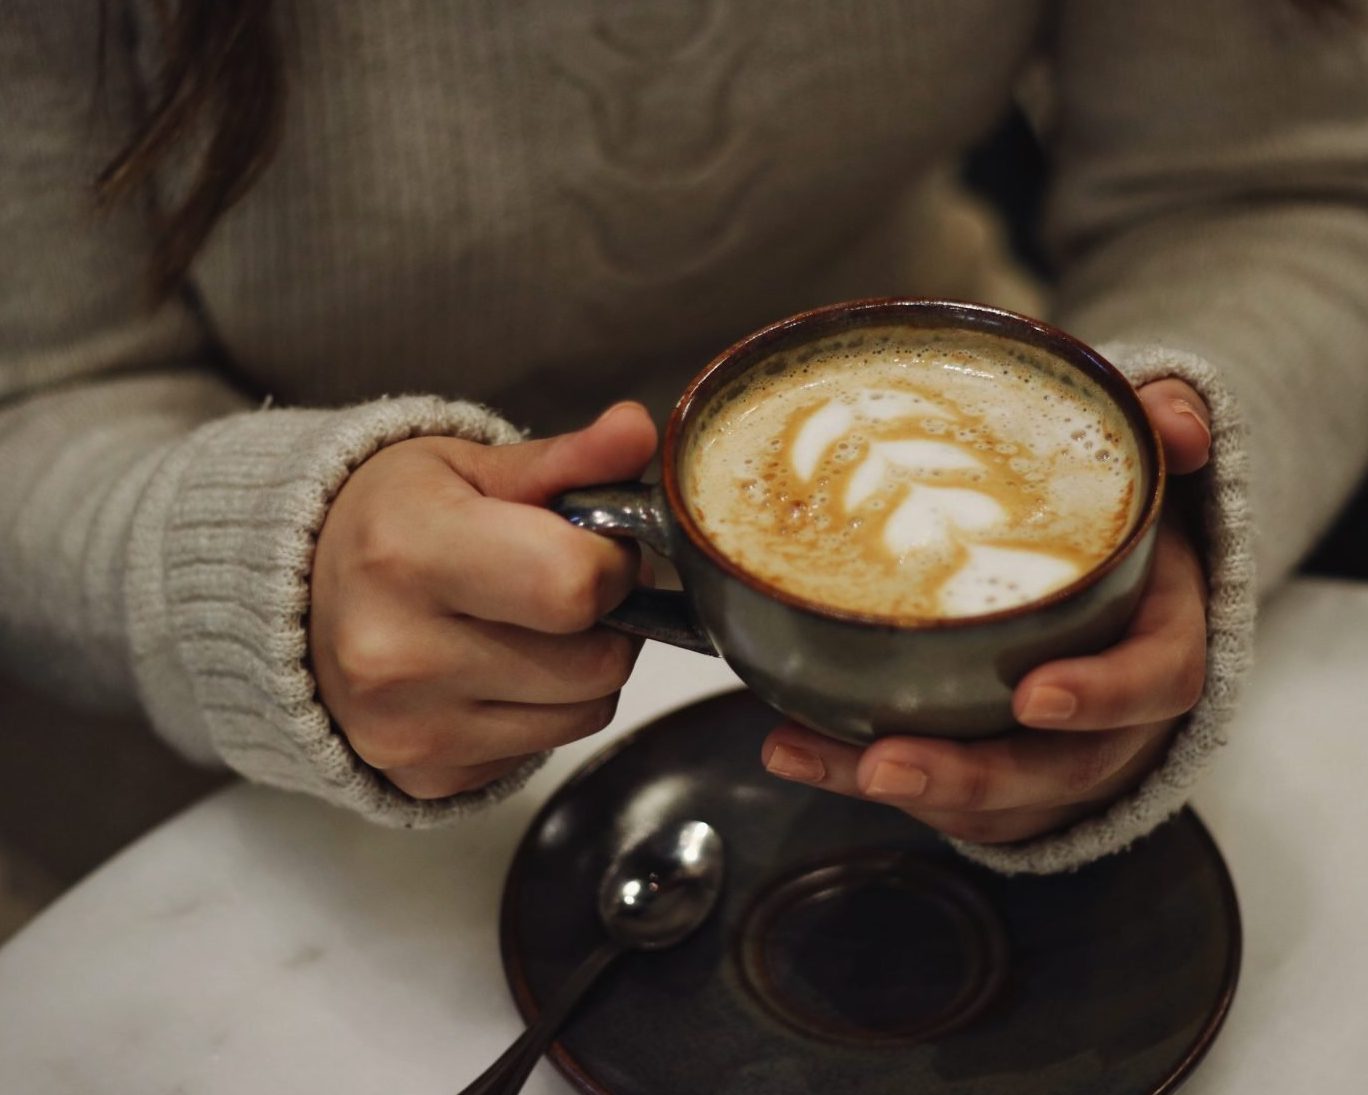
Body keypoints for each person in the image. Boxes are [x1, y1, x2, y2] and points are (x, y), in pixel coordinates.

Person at [3, 0, 1366, 878]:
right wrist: (253, 579)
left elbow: (1273, 188)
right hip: (241, 805)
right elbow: (35, 390)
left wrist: (1173, 512)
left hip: (981, 491)